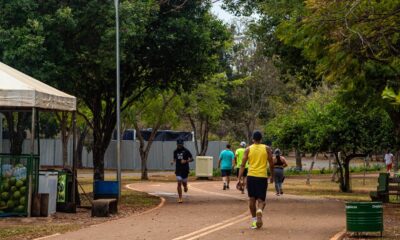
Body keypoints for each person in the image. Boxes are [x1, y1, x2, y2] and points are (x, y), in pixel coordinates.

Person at [238, 131, 274, 229]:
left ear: (253, 139)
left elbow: (242, 165)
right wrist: (272, 176)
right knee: (261, 200)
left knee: (252, 199)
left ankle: (254, 220)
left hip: (251, 177)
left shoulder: (248, 149)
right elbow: (271, 163)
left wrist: (239, 178)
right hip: (262, 177)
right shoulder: (267, 149)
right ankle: (260, 210)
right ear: (261, 139)